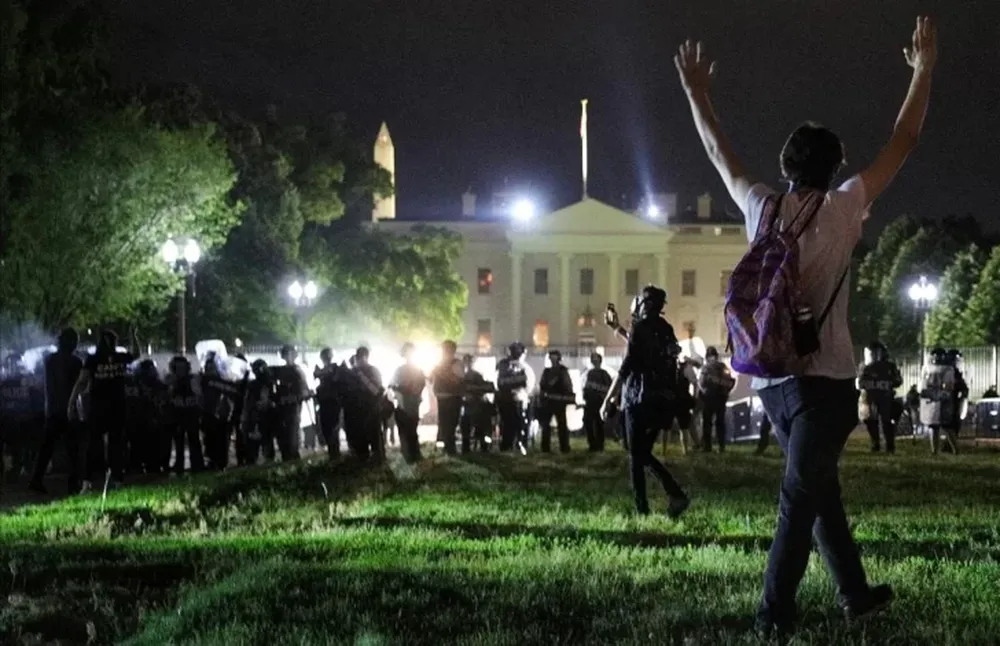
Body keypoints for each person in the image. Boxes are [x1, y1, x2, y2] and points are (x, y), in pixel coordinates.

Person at [675, 16, 936, 631]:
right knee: (801, 496)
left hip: (771, 378)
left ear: (787, 164)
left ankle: (855, 593)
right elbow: (903, 141)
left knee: (818, 490)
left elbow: (719, 152)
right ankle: (774, 615)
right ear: (835, 165)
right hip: (825, 383)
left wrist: (697, 93)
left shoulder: (761, 206)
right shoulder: (845, 207)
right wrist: (923, 71)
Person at [601, 285, 689, 518]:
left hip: (637, 399)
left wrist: (608, 398)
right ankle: (672, 496)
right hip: (661, 401)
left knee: (635, 454)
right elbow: (644, 347)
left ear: (643, 304)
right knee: (640, 452)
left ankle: (647, 507)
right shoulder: (665, 328)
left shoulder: (640, 327)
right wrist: (617, 328)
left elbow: (628, 363)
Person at [68, 330, 134, 487]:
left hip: (99, 406)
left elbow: (81, 381)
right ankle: (115, 479)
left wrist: (71, 402)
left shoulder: (93, 359)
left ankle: (89, 481)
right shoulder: (118, 358)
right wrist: (134, 336)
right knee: (115, 443)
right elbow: (135, 355)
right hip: (115, 406)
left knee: (94, 443)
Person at [30, 329, 84, 494]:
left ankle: (36, 480)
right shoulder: (75, 362)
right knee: (73, 450)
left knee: (47, 449)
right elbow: (77, 387)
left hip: (52, 409)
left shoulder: (49, 360)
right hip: (67, 410)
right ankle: (73, 483)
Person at [858, 342, 904, 453]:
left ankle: (890, 446)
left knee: (886, 422)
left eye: (875, 352)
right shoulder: (865, 367)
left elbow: (898, 381)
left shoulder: (889, 366)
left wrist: (889, 383)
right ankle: (875, 444)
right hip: (870, 398)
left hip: (885, 398)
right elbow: (860, 383)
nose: (873, 355)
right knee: (871, 421)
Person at [270, 345, 310, 462]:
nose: (287, 357)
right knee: (283, 435)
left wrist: (291, 399)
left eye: (288, 354)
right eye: (285, 354)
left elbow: (304, 392)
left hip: (292, 408)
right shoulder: (281, 370)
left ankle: (293, 458)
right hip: (281, 408)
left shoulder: (297, 371)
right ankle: (286, 457)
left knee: (292, 434)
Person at [165, 356, 203, 474]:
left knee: (194, 440)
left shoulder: (193, 379)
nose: (181, 370)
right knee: (179, 442)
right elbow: (168, 395)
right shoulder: (171, 380)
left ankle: (197, 466)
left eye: (183, 367)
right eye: (178, 367)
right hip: (178, 414)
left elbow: (198, 394)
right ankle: (179, 466)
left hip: (191, 413)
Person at [390, 343, 427, 463]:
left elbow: (421, 385)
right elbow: (393, 386)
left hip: (410, 404)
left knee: (410, 429)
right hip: (404, 404)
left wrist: (406, 390)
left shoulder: (413, 370)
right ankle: (410, 453)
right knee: (407, 429)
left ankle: (412, 453)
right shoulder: (401, 370)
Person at [351, 347, 386, 461]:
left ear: (366, 357)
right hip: (358, 409)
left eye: (360, 357)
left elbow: (376, 390)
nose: (359, 360)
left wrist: (361, 376)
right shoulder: (354, 372)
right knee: (360, 438)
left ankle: (378, 459)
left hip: (372, 408)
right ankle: (363, 459)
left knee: (375, 436)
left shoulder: (372, 371)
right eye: (357, 357)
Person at [698, 347, 736, 453]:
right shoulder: (722, 366)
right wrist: (726, 392)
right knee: (720, 423)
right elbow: (730, 382)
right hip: (720, 398)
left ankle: (708, 447)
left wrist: (704, 394)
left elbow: (701, 383)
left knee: (707, 423)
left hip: (709, 398)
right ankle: (721, 446)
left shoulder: (705, 368)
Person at [430, 340, 464, 455]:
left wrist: (442, 372)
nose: (444, 351)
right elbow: (431, 378)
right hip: (442, 397)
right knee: (444, 423)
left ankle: (450, 447)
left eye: (446, 349)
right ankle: (447, 447)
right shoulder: (439, 363)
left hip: (453, 397)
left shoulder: (456, 363)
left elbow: (458, 380)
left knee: (452, 423)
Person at [538, 349, 575, 453]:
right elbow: (542, 385)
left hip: (559, 401)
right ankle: (545, 447)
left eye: (554, 357)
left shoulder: (563, 371)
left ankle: (564, 447)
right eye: (551, 357)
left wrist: (566, 396)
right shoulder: (547, 371)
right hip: (548, 401)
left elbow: (567, 385)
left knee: (562, 425)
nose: (552, 359)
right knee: (546, 425)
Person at [496, 342, 530, 452]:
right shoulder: (505, 364)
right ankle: (508, 445)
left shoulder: (520, 365)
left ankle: (516, 444)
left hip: (517, 398)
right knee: (510, 423)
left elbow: (526, 382)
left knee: (517, 423)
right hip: (508, 398)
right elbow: (501, 382)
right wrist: (518, 381)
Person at [460, 354, 495, 452]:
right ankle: (467, 447)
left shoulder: (476, 375)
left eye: (470, 361)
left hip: (477, 406)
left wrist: (474, 390)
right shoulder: (461, 376)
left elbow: (488, 387)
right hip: (467, 406)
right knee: (466, 426)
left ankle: (483, 446)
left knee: (480, 425)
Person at [314, 348, 344, 460]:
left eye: (327, 356)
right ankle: (333, 454)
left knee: (333, 430)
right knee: (327, 430)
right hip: (325, 404)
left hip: (334, 403)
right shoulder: (324, 370)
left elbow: (336, 379)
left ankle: (335, 454)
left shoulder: (335, 368)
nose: (326, 358)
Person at [581, 353, 613, 452]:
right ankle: (592, 444)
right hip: (590, 402)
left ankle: (599, 445)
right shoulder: (589, 373)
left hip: (599, 403)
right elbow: (585, 387)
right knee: (588, 422)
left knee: (598, 424)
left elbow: (609, 388)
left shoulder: (604, 374)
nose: (594, 361)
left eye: (596, 359)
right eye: (593, 359)